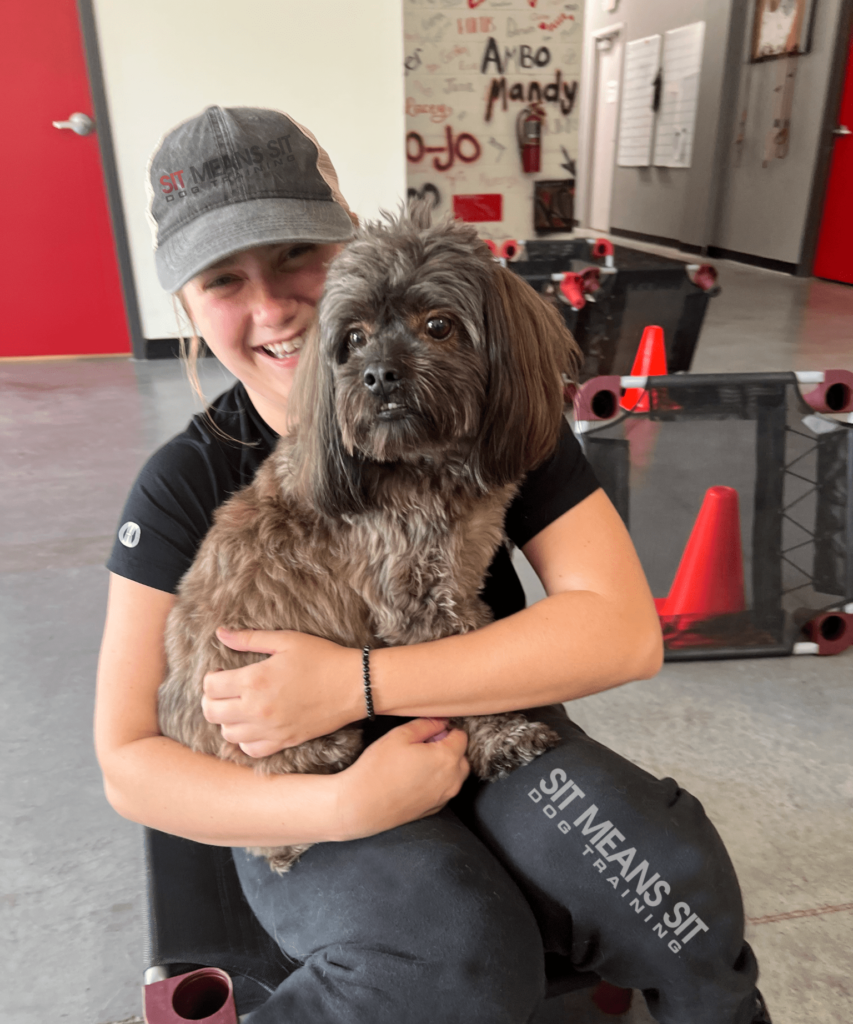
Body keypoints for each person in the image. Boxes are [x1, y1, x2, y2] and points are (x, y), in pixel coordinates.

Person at [95, 106, 770, 1024]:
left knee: (666, 884)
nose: (273, 307)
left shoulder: (484, 402)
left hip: (486, 729)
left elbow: (621, 632)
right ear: (185, 304)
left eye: (297, 254)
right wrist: (342, 806)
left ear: (349, 237)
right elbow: (130, 761)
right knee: (455, 953)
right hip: (308, 789)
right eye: (223, 279)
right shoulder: (183, 483)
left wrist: (355, 683)